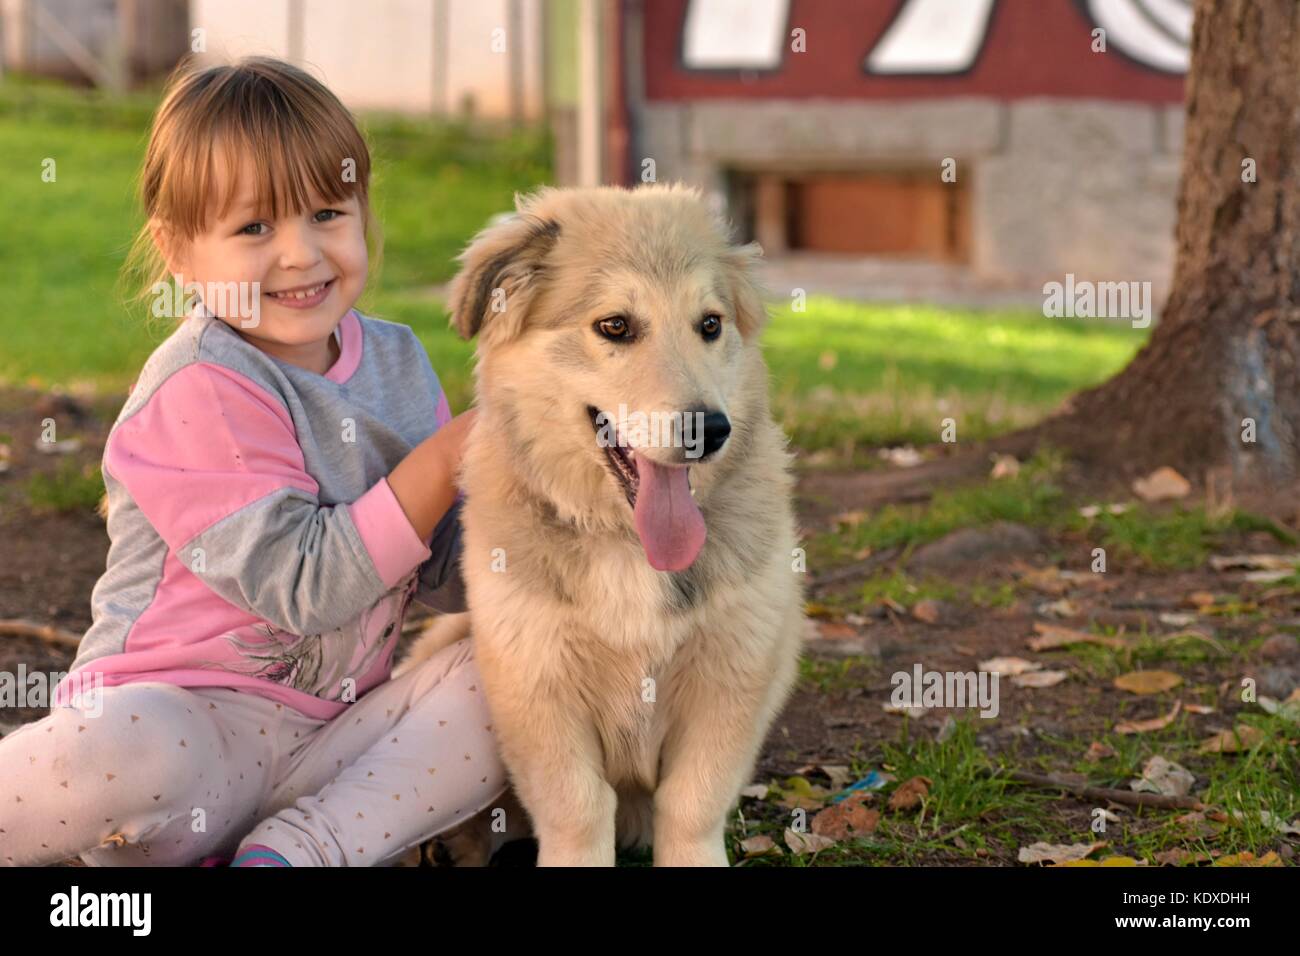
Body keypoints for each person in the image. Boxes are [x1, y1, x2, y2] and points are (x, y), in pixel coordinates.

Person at [0, 56, 512, 867]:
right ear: (178, 250)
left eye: (326, 212)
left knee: (516, 674)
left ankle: (297, 854)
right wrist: (452, 454)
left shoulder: (397, 361)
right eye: (254, 228)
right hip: (180, 747)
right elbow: (303, 587)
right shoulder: (199, 385)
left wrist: (548, 508)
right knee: (114, 748)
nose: (300, 254)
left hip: (335, 744)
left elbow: (441, 568)